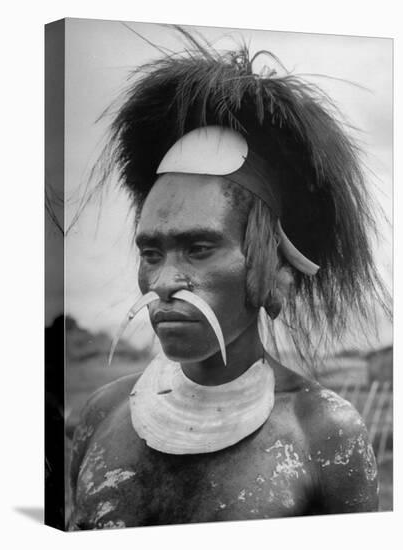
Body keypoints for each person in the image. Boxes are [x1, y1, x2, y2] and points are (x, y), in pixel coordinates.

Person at [68, 29, 387, 530]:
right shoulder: (99, 416)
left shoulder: (323, 435)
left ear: (268, 266)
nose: (166, 281)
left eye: (199, 248)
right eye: (151, 252)